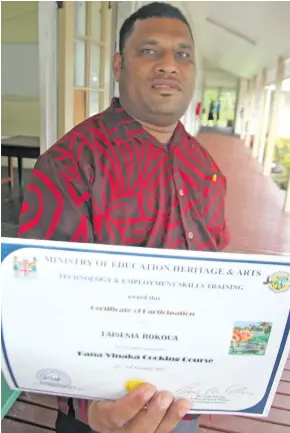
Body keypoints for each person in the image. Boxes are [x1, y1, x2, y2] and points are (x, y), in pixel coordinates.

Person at [18, 2, 230, 433]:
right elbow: (44, 299)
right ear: (118, 64)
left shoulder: (207, 168)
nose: (169, 65)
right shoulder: (70, 165)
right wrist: (86, 407)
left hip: (182, 404)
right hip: (102, 412)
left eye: (182, 54)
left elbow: (219, 279)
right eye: (149, 51)